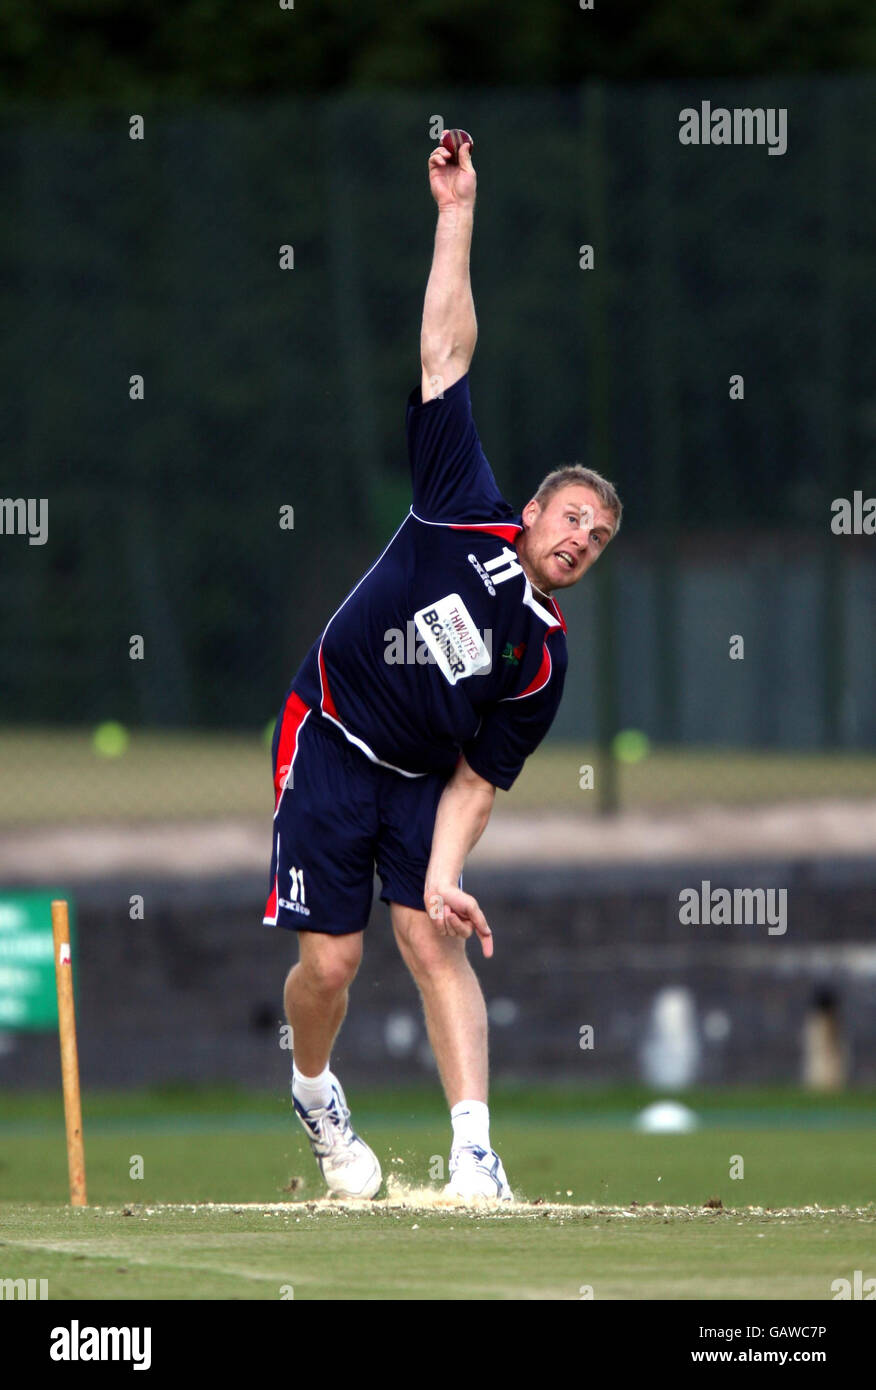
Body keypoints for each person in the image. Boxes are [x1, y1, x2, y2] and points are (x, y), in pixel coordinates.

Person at [263, 132, 622, 1202]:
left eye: (597, 537)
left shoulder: (543, 658)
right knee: (331, 964)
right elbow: (443, 351)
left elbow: (478, 779)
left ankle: (475, 1153)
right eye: (571, 516)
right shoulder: (460, 495)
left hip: (421, 778)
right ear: (531, 511)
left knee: (431, 937)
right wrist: (456, 214)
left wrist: (446, 870)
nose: (580, 538)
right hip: (330, 733)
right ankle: (316, 1093)